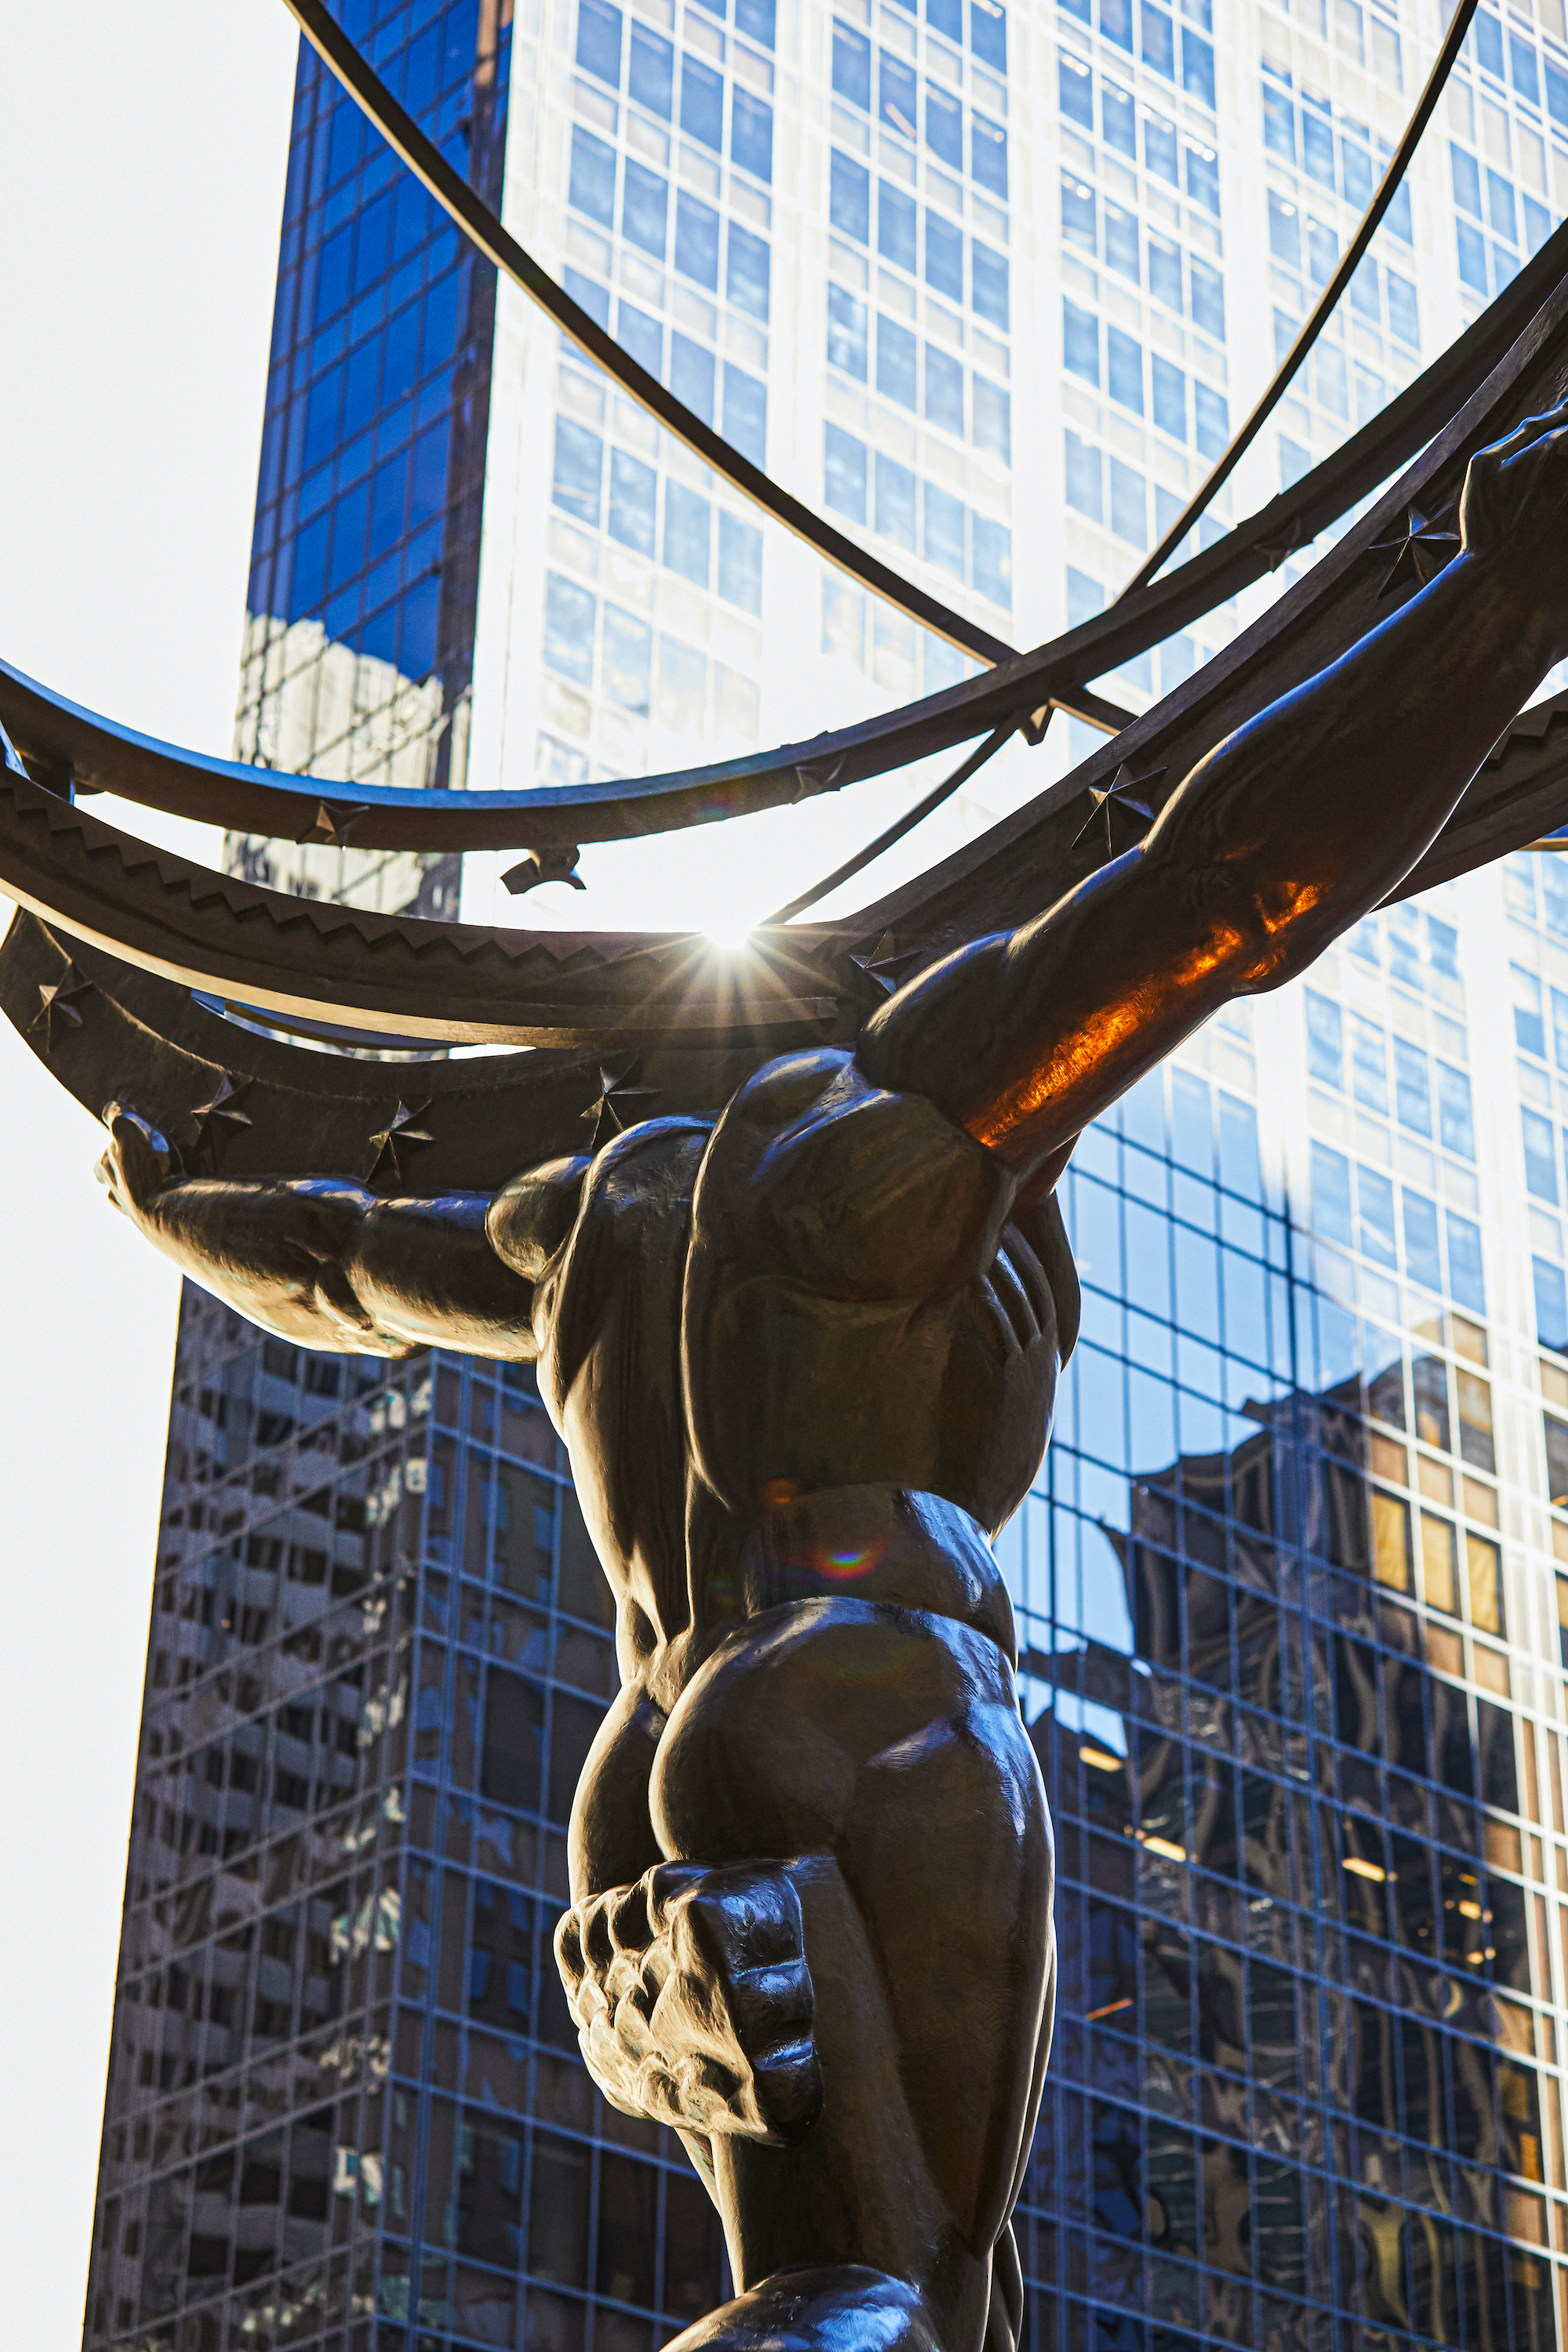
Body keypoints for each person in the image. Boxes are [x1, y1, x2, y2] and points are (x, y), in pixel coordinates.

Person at [98, 410, 1568, 2352]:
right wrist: (1500, 602)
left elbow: (335, 1267)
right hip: (859, 1690)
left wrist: (165, 1192)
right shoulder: (870, 1156)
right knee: (917, 2301)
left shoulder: (585, 1222)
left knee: (808, 2278)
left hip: (646, 1755)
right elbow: (1218, 893)